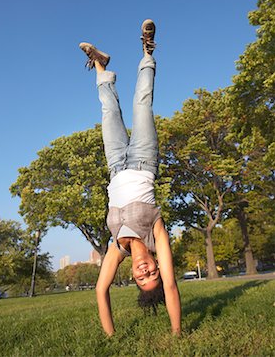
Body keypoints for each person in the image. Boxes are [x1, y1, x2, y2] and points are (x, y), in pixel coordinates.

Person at [79, 19, 181, 337]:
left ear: (134, 278)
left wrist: (111, 339)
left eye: (141, 278)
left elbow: (100, 291)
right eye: (152, 273)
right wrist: (177, 333)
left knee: (108, 112)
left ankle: (100, 64)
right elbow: (174, 288)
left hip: (115, 165)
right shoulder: (157, 235)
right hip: (143, 160)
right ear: (158, 267)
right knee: (141, 103)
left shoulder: (117, 247)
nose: (144, 271)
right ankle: (147, 52)